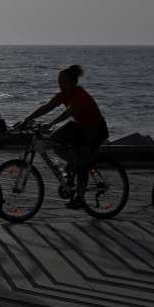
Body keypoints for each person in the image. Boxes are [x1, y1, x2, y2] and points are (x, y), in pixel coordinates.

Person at [19, 65, 109, 209]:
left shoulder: (80, 95)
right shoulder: (63, 94)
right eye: (59, 81)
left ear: (72, 82)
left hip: (95, 129)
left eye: (63, 81)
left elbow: (69, 112)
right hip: (79, 126)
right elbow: (48, 107)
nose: (60, 84)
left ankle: (80, 198)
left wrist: (51, 123)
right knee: (53, 141)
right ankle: (73, 163)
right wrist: (28, 118)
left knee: (81, 163)